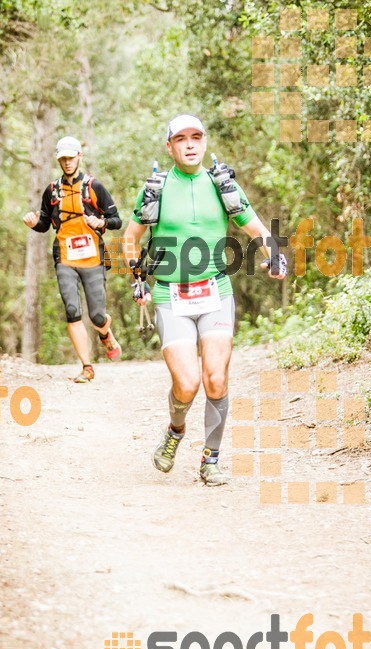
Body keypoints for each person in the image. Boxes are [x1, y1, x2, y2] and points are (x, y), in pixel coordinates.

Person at [122, 114, 285, 485]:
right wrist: (138, 278)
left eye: (197, 136)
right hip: (170, 293)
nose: (190, 144)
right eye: (181, 138)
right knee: (187, 382)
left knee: (215, 379)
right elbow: (130, 238)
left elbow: (255, 227)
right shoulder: (156, 188)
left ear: (205, 141)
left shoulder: (222, 185)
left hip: (215, 292)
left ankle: (210, 459)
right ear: (170, 147)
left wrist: (274, 254)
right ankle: (175, 430)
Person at [23, 136, 122, 382]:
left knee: (97, 317)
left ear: (80, 156)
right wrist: (34, 224)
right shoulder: (51, 191)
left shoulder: (94, 187)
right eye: (63, 159)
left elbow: (116, 220)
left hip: (92, 258)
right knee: (72, 310)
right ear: (59, 160)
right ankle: (87, 367)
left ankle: (105, 333)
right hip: (64, 257)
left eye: (70, 157)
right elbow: (45, 225)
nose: (67, 163)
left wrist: (102, 222)